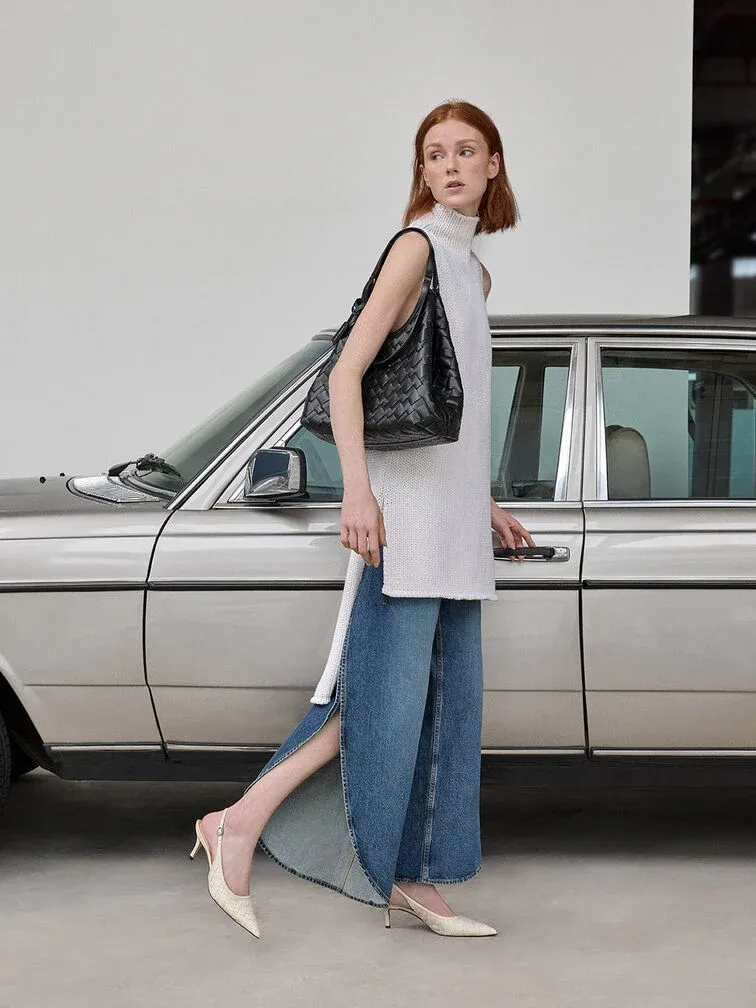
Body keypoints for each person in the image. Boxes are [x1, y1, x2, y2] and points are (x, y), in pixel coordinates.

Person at [189, 99, 535, 940]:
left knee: (444, 707)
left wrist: (481, 500)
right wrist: (357, 492)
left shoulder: (474, 271)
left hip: (450, 522)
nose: (450, 166)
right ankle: (237, 821)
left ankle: (418, 879)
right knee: (375, 701)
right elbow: (347, 374)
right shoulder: (416, 247)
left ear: (493, 164)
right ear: (422, 171)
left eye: (466, 151)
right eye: (434, 154)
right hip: (401, 522)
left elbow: (458, 417)